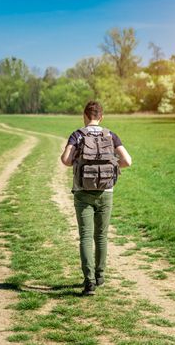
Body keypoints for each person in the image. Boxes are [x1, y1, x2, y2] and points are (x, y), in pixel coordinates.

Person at [60, 101, 132, 296]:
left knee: (85, 237)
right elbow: (128, 161)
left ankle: (89, 282)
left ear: (85, 116)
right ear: (101, 117)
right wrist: (112, 167)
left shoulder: (77, 134)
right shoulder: (111, 135)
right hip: (106, 192)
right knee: (100, 236)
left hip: (83, 191)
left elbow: (65, 160)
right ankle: (100, 276)